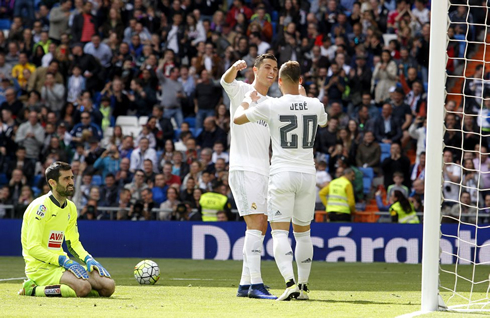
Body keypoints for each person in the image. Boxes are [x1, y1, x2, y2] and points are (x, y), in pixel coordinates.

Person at [234, 60, 328, 301]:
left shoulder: (273, 105)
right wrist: (305, 97)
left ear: (279, 81)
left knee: (279, 233)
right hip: (308, 174)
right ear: (300, 81)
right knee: (303, 234)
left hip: (282, 174)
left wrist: (247, 100)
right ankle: (305, 287)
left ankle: (289, 283)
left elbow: (238, 119)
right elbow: (323, 121)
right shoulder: (316, 104)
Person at [221, 54, 278, 299]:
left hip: (263, 170)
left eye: (275, 68)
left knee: (259, 226)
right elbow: (225, 81)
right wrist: (234, 68)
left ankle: (246, 285)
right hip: (244, 168)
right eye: (267, 67)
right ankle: (255, 284)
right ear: (255, 69)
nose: (272, 72)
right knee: (255, 225)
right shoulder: (242, 90)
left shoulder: (272, 103)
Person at [19, 161, 115, 298]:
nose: (71, 182)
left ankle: (76, 289)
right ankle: (33, 289)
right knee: (83, 287)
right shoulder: (40, 207)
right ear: (52, 183)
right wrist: (63, 261)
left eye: (71, 178)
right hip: (40, 269)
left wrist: (88, 259)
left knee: (108, 287)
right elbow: (33, 247)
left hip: (61, 265)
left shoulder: (70, 207)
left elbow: (73, 243)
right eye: (66, 179)